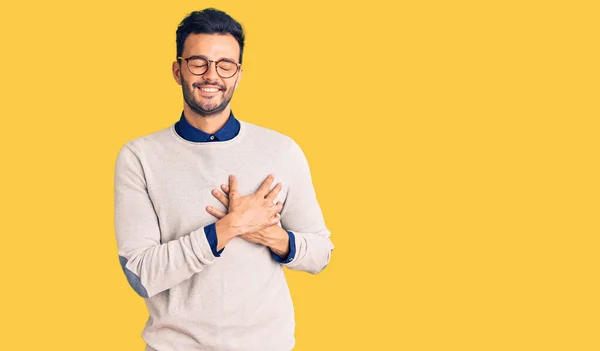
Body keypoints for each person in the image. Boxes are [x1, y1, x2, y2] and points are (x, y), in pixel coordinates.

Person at [113, 8, 334, 351]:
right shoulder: (139, 156)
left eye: (224, 64)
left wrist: (275, 237)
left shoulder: (282, 150)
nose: (211, 75)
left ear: (239, 74)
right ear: (178, 70)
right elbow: (141, 274)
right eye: (198, 63)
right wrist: (229, 227)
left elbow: (320, 253)